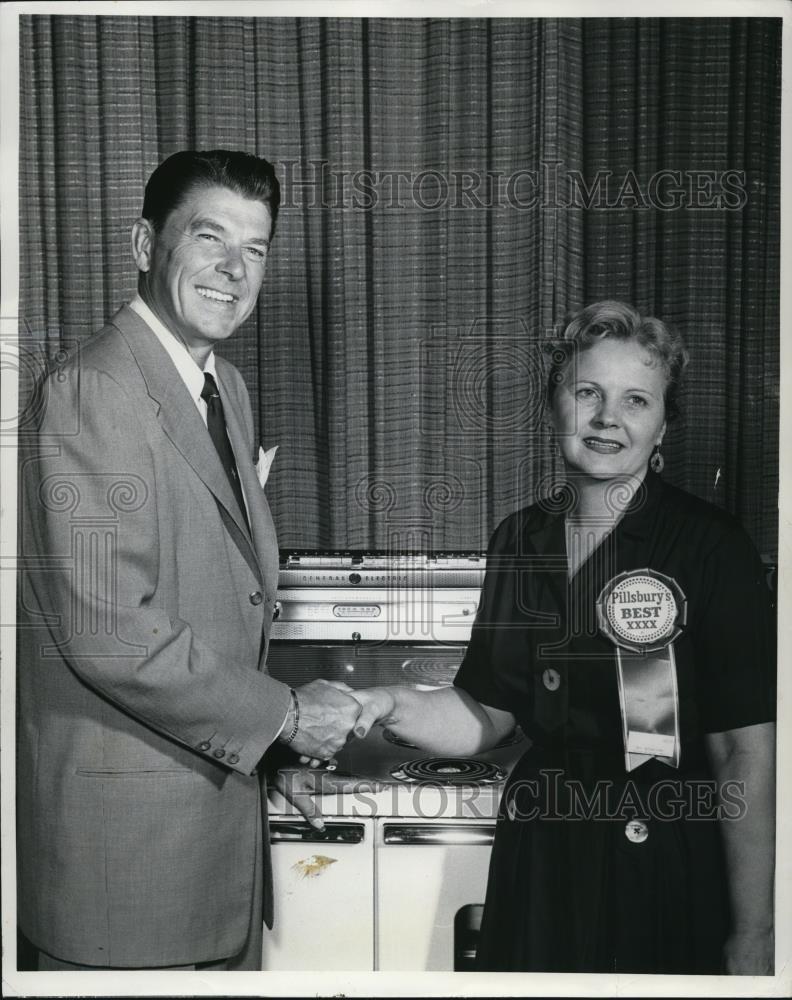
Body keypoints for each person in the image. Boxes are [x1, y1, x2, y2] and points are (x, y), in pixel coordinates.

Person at [342, 301, 775, 974]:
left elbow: (743, 749)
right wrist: (386, 704)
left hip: (658, 862)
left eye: (637, 401)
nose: (608, 419)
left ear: (664, 427)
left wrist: (757, 928)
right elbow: (486, 714)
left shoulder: (710, 547)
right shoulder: (520, 539)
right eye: (588, 393)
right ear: (554, 409)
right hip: (542, 857)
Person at [16, 150, 362, 971]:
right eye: (209, 238)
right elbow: (111, 633)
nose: (234, 270)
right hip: (126, 867)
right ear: (144, 246)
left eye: (256, 248)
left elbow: (224, 599)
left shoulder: (226, 388)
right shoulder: (90, 391)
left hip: (211, 844)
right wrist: (284, 717)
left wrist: (270, 754)